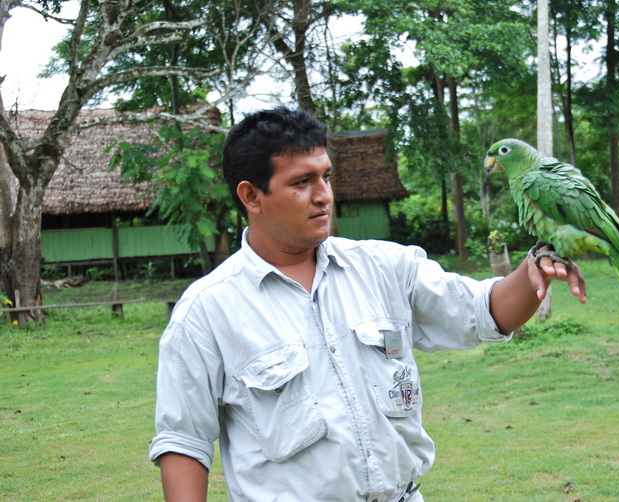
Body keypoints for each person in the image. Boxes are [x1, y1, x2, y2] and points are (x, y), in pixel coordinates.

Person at [148, 106, 586, 502]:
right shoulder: (207, 312)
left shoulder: (384, 267)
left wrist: (535, 267)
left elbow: (484, 311)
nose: (323, 195)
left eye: (326, 177)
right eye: (302, 182)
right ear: (251, 196)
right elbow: (184, 442)